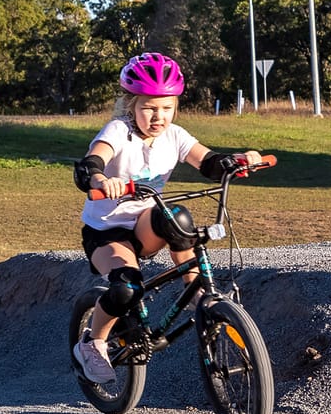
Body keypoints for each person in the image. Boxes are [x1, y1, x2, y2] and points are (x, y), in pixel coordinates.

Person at [70, 52, 265, 383]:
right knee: (127, 289)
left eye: (166, 107)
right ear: (131, 104)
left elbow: (208, 162)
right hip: (107, 231)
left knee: (178, 217)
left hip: (145, 222)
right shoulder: (119, 131)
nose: (158, 116)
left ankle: (198, 294)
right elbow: (91, 162)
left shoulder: (175, 135)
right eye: (148, 107)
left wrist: (238, 160)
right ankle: (93, 343)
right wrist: (100, 179)